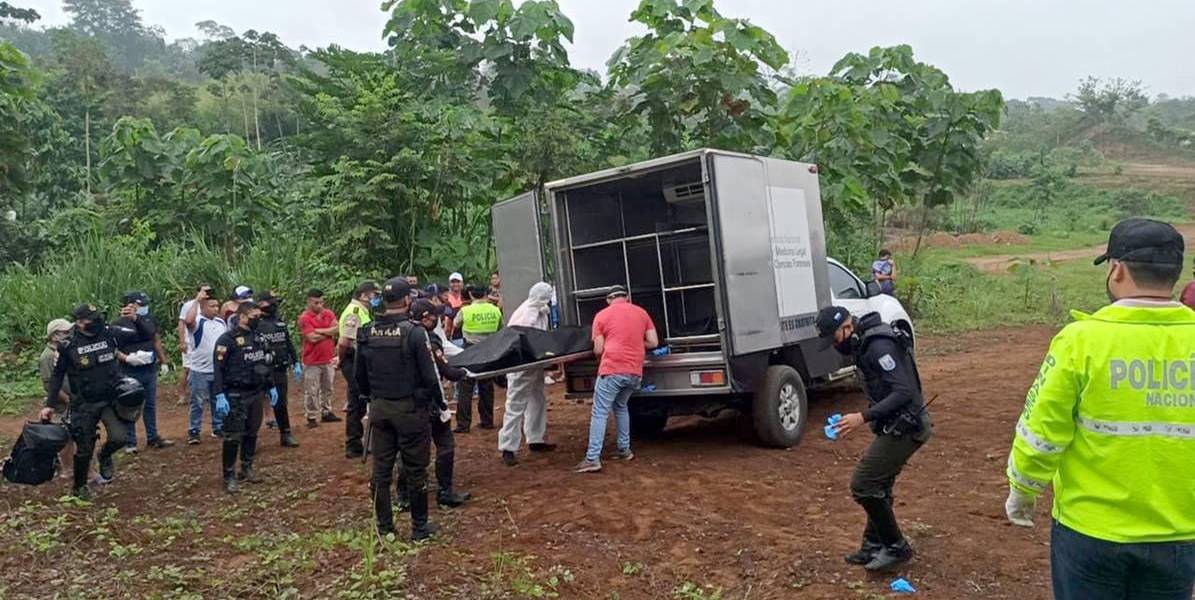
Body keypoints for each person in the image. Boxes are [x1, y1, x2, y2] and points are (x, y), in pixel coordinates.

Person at [1003, 218, 1195, 599]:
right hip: (1178, 534)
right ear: (1175, 273)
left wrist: (1023, 489)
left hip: (1090, 532)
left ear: (1116, 269)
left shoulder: (1081, 342)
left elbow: (1041, 431)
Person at [815, 304, 931, 572]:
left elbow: (903, 391)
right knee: (879, 484)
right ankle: (873, 545)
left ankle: (896, 547)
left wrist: (862, 417)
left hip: (908, 427)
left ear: (847, 327)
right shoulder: (864, 344)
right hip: (894, 424)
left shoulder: (877, 346)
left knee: (864, 483)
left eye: (834, 339)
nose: (835, 345)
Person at [354, 278, 441, 540]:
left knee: (381, 471)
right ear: (407, 300)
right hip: (409, 409)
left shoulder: (367, 331)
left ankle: (385, 529)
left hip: (380, 408)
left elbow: (359, 375)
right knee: (415, 470)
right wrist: (435, 402)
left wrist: (372, 397)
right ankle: (419, 528)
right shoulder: (414, 332)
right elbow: (429, 376)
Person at [40, 304, 142, 499]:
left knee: (119, 437)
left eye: (96, 318)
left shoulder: (108, 334)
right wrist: (49, 405)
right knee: (84, 448)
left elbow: (141, 335)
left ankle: (105, 455)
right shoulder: (69, 345)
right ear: (80, 323)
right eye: (90, 319)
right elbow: (57, 376)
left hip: (110, 399)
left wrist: (136, 320)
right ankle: (80, 488)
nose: (96, 322)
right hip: (84, 403)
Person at [575, 286, 658, 473]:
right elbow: (653, 342)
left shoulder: (601, 316)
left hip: (612, 369)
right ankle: (624, 450)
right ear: (627, 297)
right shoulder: (641, 313)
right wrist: (634, 342)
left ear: (608, 300)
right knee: (621, 407)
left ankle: (592, 458)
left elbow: (598, 349)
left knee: (600, 412)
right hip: (634, 371)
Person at [399, 299, 470, 509]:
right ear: (425, 318)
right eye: (434, 316)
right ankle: (444, 492)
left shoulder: (398, 335)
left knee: (409, 449)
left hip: (403, 401)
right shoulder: (428, 339)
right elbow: (446, 371)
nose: (437, 319)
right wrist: (464, 372)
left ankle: (403, 496)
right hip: (429, 401)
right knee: (445, 443)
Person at [211, 302, 279, 494]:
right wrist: (219, 394)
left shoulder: (258, 337)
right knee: (233, 436)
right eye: (253, 317)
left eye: (258, 316)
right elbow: (218, 369)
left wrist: (271, 386)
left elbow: (264, 364)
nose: (257, 320)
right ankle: (229, 475)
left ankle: (247, 467)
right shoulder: (227, 340)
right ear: (242, 317)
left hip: (255, 392)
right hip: (235, 394)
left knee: (252, 432)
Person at [498, 283, 557, 467]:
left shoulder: (540, 311)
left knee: (537, 399)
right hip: (522, 365)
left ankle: (535, 438)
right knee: (516, 405)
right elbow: (521, 339)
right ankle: (508, 448)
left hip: (534, 363)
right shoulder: (526, 313)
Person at [112, 291, 174, 452]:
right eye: (141, 304)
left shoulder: (148, 320)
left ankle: (152, 437)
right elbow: (112, 347)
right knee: (129, 404)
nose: (144, 307)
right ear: (129, 305)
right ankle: (130, 442)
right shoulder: (117, 324)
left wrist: (163, 361)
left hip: (149, 368)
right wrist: (126, 358)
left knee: (150, 405)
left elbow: (153, 337)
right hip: (128, 370)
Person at [452, 285, 502, 433]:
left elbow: (455, 324)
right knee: (486, 385)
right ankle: (487, 421)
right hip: (489, 350)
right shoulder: (495, 310)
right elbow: (500, 327)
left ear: (471, 295)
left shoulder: (466, 310)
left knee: (465, 387)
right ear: (485, 294)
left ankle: (463, 424)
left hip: (471, 349)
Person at [339, 280, 380, 458]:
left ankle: (356, 441)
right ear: (363, 295)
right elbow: (344, 342)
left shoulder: (362, 311)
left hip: (359, 360)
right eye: (374, 295)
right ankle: (353, 443)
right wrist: (341, 361)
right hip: (353, 359)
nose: (376, 298)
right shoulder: (354, 312)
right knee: (357, 401)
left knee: (358, 400)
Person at [256, 291, 301, 448]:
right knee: (254, 404)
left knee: (281, 402)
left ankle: (285, 433)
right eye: (270, 302)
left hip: (279, 368)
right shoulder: (255, 323)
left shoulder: (279, 321)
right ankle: (249, 439)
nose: (274, 305)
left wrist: (295, 361)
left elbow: (287, 342)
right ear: (260, 304)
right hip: (261, 369)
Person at [183, 297, 227, 443]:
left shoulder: (220, 322)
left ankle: (218, 426)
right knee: (197, 401)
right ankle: (194, 430)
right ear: (203, 308)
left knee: (217, 398)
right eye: (211, 306)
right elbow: (188, 321)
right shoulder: (198, 322)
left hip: (217, 369)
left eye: (217, 306)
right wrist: (197, 300)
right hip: (199, 370)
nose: (216, 309)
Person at [299, 289, 339, 428]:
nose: (320, 305)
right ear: (309, 302)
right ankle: (311, 416)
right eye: (316, 303)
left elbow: (337, 329)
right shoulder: (305, 317)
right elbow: (312, 338)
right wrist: (329, 333)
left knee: (328, 387)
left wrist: (320, 330)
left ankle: (326, 411)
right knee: (312, 390)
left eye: (322, 302)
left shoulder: (328, 313)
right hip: (312, 360)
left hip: (328, 358)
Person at [39, 318, 75, 474]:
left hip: (72, 400)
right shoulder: (47, 356)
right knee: (65, 437)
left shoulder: (65, 350)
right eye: (65, 332)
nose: (69, 334)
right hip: (62, 404)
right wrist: (67, 399)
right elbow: (49, 384)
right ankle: (67, 469)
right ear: (54, 336)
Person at [177, 284, 214, 407]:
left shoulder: (210, 305)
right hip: (190, 341)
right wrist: (182, 341)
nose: (207, 293)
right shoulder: (189, 305)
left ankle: (205, 393)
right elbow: (182, 323)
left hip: (204, 342)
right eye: (205, 291)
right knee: (187, 368)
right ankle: (182, 394)